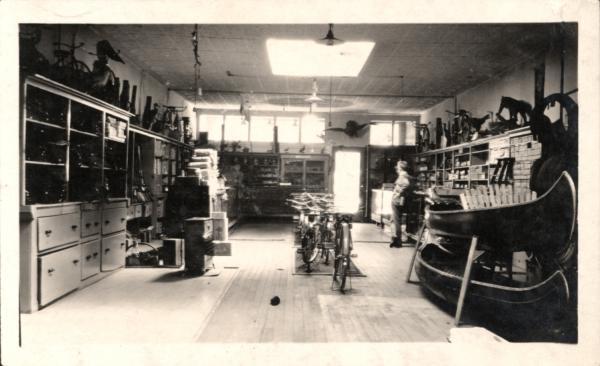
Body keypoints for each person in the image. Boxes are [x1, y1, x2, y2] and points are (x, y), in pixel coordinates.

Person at [390, 160, 414, 248]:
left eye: (397, 166)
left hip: (397, 200)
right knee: (395, 220)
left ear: (400, 167)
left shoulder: (403, 175)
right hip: (400, 200)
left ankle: (397, 241)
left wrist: (398, 193)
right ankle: (395, 239)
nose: (396, 167)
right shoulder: (406, 175)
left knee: (396, 220)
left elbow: (405, 185)